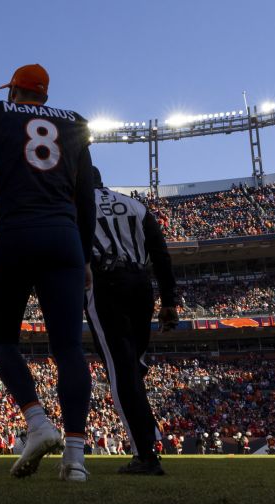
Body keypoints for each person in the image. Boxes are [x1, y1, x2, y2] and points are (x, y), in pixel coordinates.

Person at [0, 63, 96, 481]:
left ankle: (38, 423)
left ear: (14, 92)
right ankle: (75, 456)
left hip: (16, 233)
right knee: (69, 348)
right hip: (65, 237)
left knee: (2, 341)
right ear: (45, 97)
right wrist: (86, 255)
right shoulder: (73, 124)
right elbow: (85, 194)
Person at [82, 166, 178, 475]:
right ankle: (148, 442)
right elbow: (161, 255)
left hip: (106, 284)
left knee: (121, 371)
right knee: (132, 368)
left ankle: (145, 454)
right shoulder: (134, 204)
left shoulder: (76, 203)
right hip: (141, 285)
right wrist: (169, 302)